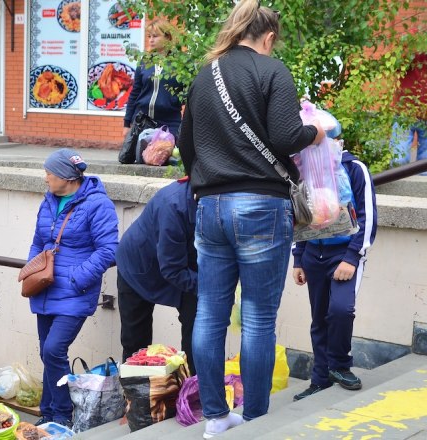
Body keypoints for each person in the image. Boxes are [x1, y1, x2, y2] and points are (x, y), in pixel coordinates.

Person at [176, 1, 326, 437]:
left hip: (210, 206)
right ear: (268, 37)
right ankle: (256, 420)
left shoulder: (205, 77)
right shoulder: (271, 70)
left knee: (209, 315)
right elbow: (284, 137)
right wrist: (315, 133)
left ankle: (216, 418)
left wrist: (208, 182)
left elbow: (187, 146)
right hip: (260, 204)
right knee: (258, 316)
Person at [27, 148, 119, 427]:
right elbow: (37, 240)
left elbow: (109, 250)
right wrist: (30, 269)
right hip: (45, 287)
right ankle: (49, 412)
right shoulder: (48, 201)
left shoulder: (97, 204)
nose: (46, 179)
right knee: (46, 351)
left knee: (54, 349)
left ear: (67, 177)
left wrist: (78, 277)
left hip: (75, 290)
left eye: (50, 174)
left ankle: (64, 413)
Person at [291, 151, 377, 401]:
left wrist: (351, 257)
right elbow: (301, 217)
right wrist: (299, 258)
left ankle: (339, 365)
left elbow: (367, 216)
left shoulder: (353, 168)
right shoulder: (301, 168)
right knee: (319, 318)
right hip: (312, 254)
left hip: (344, 254)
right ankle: (320, 378)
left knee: (340, 310)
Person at [115, 177, 198, 375]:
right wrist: (215, 285)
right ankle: (136, 400)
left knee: (197, 337)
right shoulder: (173, 204)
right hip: (140, 265)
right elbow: (172, 269)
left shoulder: (225, 198)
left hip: (188, 264)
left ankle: (194, 394)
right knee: (135, 342)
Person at [123, 18, 185, 138]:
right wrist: (126, 123)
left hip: (170, 123)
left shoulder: (180, 63)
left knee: (166, 156)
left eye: (155, 36)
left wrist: (172, 102)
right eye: (149, 36)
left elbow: (187, 95)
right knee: (140, 156)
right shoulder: (145, 61)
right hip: (142, 121)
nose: (151, 40)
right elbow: (135, 93)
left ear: (168, 37)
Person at [390, 50, 426, 174]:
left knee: (425, 165)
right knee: (398, 160)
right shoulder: (409, 39)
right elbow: (393, 64)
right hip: (404, 111)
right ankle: (396, 190)